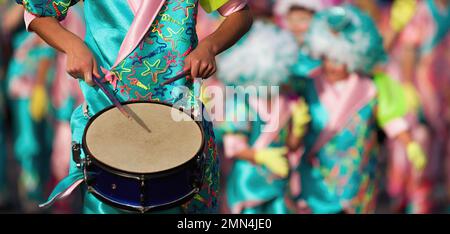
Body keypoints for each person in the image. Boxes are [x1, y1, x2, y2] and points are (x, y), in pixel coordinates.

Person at [15, 0, 253, 214]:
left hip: (177, 123)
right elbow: (37, 12)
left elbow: (239, 13)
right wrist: (72, 45)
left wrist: (210, 46)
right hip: (106, 117)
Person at [286, 5, 427, 214]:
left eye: (339, 60)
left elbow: (390, 119)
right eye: (328, 57)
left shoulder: (370, 87)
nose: (333, 66)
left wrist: (410, 144)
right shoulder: (307, 86)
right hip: (316, 179)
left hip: (357, 180)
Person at [215, 0, 302, 214]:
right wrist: (262, 156)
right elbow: (233, 146)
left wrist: (299, 129)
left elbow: (291, 144)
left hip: (279, 185)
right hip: (249, 184)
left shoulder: (287, 100)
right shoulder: (242, 101)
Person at [5, 4, 56, 212]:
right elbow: (6, 25)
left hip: (50, 87)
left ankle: (44, 192)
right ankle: (31, 194)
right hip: (25, 85)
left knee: (46, 141)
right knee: (28, 143)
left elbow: (47, 48)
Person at [400, 0, 450, 213]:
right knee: (423, 145)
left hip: (445, 91)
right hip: (425, 89)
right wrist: (409, 88)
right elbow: (409, 49)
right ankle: (418, 203)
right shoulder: (422, 11)